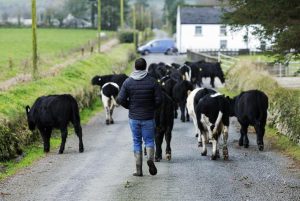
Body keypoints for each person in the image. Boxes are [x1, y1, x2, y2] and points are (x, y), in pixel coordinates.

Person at [117, 58, 162, 177]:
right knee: (149, 140)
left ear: (135, 67)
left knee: (136, 141)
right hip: (148, 117)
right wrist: (151, 108)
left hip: (134, 118)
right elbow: (159, 100)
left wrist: (129, 106)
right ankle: (151, 160)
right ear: (145, 67)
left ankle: (138, 170)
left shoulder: (128, 82)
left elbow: (120, 99)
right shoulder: (152, 82)